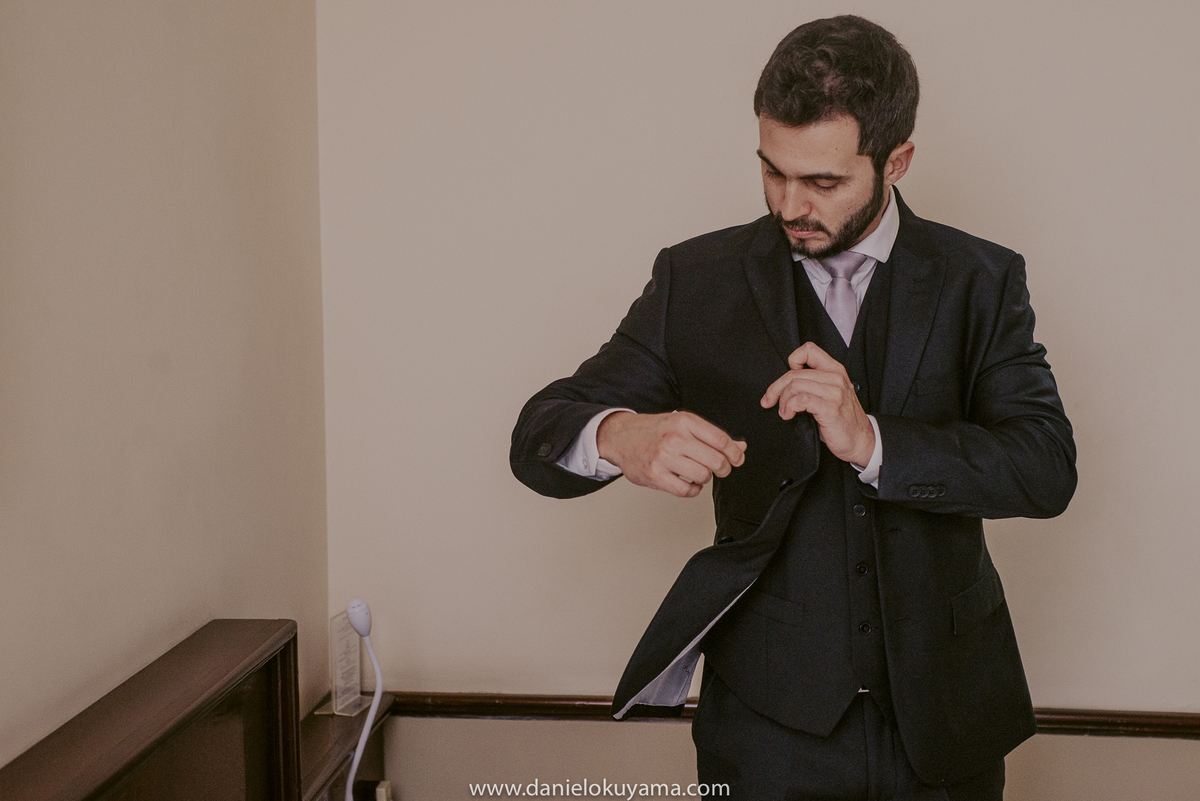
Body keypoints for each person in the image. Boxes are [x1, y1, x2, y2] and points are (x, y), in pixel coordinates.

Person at [510, 15, 1076, 800]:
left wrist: (873, 441)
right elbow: (538, 431)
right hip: (766, 731)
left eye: (823, 182)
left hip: (947, 718)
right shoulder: (696, 280)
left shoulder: (980, 279)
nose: (789, 203)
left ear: (897, 160)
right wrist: (618, 435)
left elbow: (1046, 466)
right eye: (772, 172)